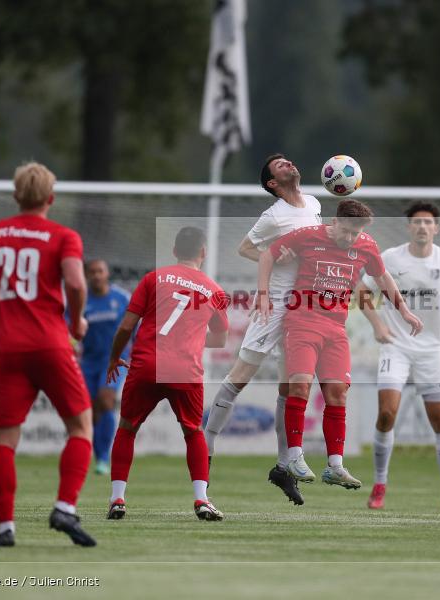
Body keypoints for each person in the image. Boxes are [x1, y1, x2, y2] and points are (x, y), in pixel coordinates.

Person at [0, 162, 96, 547]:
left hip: (7, 350)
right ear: (51, 199)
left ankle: (5, 527)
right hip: (51, 345)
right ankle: (65, 507)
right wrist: (76, 324)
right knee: (79, 427)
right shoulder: (63, 236)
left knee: (4, 439)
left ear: (16, 195)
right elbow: (74, 281)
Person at [258, 199, 423, 495]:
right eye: (346, 231)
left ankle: (335, 466)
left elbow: (382, 277)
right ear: (335, 222)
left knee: (337, 393)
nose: (350, 238)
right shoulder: (309, 235)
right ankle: (294, 458)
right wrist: (262, 293)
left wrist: (404, 311)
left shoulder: (367, 245)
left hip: (335, 328)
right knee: (300, 385)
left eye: (355, 234)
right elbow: (268, 255)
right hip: (302, 321)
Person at [203, 154, 321, 506]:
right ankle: (205, 444)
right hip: (275, 306)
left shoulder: (314, 202)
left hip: (304, 307)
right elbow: (245, 248)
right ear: (272, 183)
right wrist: (272, 261)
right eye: (279, 165)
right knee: (241, 376)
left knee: (292, 386)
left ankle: (284, 465)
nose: (289, 165)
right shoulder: (273, 216)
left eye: (288, 161)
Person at [355, 202, 440, 511]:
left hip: (432, 351)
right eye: (417, 222)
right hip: (395, 347)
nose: (422, 227)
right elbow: (361, 291)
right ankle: (379, 485)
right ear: (409, 227)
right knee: (387, 413)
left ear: (436, 229)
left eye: (428, 222)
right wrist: (377, 324)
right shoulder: (390, 258)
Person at [104, 226, 229, 522]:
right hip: (185, 368)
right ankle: (201, 499)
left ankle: (117, 498)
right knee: (193, 431)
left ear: (174, 251)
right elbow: (220, 340)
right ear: (203, 252)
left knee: (127, 428)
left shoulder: (153, 278)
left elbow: (125, 327)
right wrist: (192, 337)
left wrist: (114, 358)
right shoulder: (214, 290)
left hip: (147, 363)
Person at [79, 259, 131, 475]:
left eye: (100, 271)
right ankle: (98, 455)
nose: (96, 275)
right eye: (92, 272)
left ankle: (103, 457)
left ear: (107, 273)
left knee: (106, 399)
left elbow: (134, 325)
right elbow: (68, 326)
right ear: (87, 275)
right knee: (91, 409)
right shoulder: (81, 300)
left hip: (115, 359)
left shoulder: (121, 298)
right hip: (89, 361)